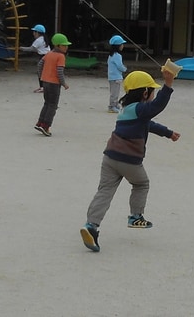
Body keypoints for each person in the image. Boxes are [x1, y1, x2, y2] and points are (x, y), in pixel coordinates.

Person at [80, 69, 181, 253]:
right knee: (142, 184)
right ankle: (136, 216)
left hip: (110, 157)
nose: (153, 95)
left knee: (105, 191)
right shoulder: (141, 109)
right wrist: (168, 84)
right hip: (129, 160)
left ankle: (91, 226)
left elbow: (149, 124)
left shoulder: (127, 110)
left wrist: (167, 133)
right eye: (152, 91)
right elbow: (157, 106)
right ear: (145, 93)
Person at [34, 32, 71, 136]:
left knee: (47, 103)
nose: (66, 47)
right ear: (57, 45)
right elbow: (60, 71)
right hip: (54, 84)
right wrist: (64, 83)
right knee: (53, 106)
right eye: (64, 45)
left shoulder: (49, 54)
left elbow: (40, 65)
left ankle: (40, 123)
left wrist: (42, 76)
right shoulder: (61, 56)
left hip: (45, 82)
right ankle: (46, 126)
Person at [19, 24, 49, 92]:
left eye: (34, 32)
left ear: (38, 32)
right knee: (41, 72)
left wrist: (22, 48)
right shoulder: (43, 39)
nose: (33, 33)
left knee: (40, 72)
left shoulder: (38, 40)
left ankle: (43, 87)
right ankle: (42, 87)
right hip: (46, 56)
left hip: (43, 56)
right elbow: (36, 49)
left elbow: (32, 49)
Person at [107, 35, 127, 112]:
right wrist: (124, 69)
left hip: (112, 77)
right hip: (116, 77)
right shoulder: (117, 56)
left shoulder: (111, 55)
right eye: (122, 44)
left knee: (114, 92)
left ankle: (114, 105)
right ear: (118, 46)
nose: (123, 46)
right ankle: (112, 106)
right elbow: (119, 66)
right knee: (114, 93)